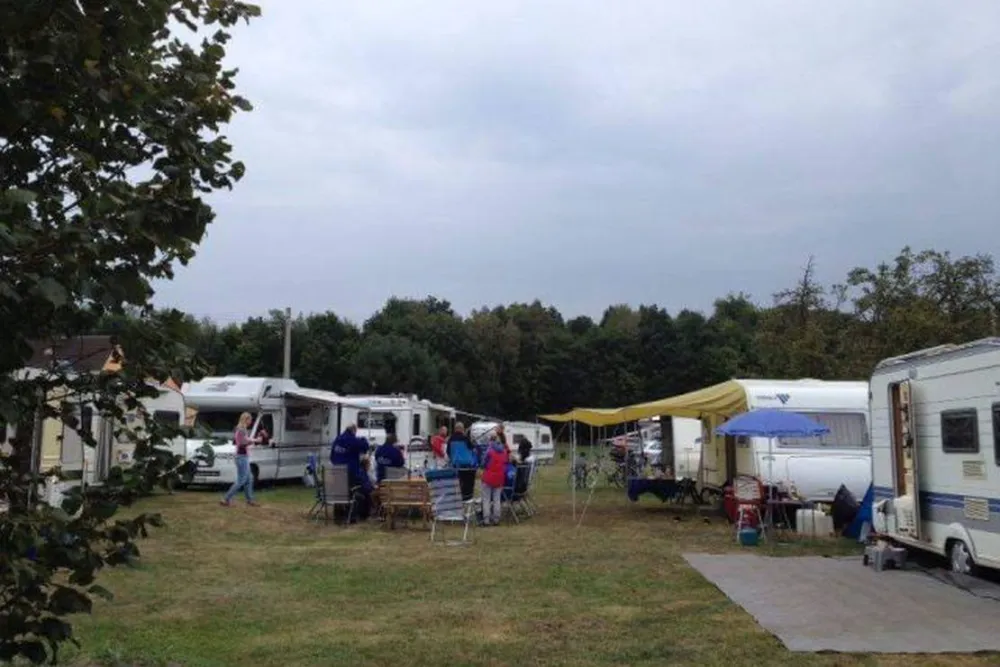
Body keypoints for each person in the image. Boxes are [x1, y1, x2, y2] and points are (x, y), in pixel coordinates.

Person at [221, 412, 260, 507]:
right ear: (246, 419)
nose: (251, 422)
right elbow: (243, 443)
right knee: (241, 480)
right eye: (250, 420)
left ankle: (250, 500)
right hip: (242, 457)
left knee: (249, 478)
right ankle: (226, 499)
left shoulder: (241, 429)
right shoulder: (241, 430)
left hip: (242, 456)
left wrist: (252, 441)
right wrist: (255, 441)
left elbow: (242, 442)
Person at [480, 433, 509, 526]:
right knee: (497, 499)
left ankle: (486, 520)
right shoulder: (504, 451)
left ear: (490, 441)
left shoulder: (489, 451)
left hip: (488, 477)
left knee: (486, 499)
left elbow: (483, 463)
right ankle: (496, 519)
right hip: (499, 478)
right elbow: (506, 464)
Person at [447, 421, 478, 501]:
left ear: (455, 429)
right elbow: (472, 448)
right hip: (467, 465)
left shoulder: (450, 439)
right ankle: (467, 498)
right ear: (462, 429)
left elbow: (448, 451)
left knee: (457, 483)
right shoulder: (465, 438)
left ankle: (456, 498)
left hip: (455, 465)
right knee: (468, 482)